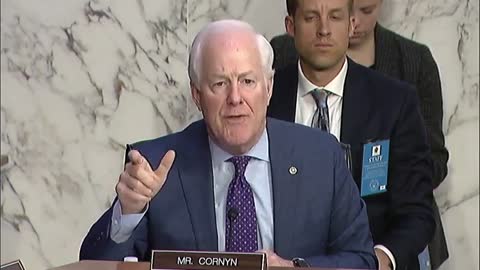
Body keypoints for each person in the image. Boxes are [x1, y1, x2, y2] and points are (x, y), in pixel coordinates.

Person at [79, 19, 377, 269]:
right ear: (197, 95)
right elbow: (93, 264)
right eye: (219, 84)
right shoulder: (154, 164)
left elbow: (363, 260)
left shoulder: (321, 156)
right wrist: (129, 211)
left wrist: (295, 268)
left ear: (269, 88)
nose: (236, 99)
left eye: (248, 81)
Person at [269, 0, 449, 269]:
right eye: (310, 18)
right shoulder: (262, 98)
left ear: (351, 24)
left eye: (336, 17)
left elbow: (416, 212)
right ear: (290, 26)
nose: (324, 30)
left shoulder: (395, 102)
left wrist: (379, 259)